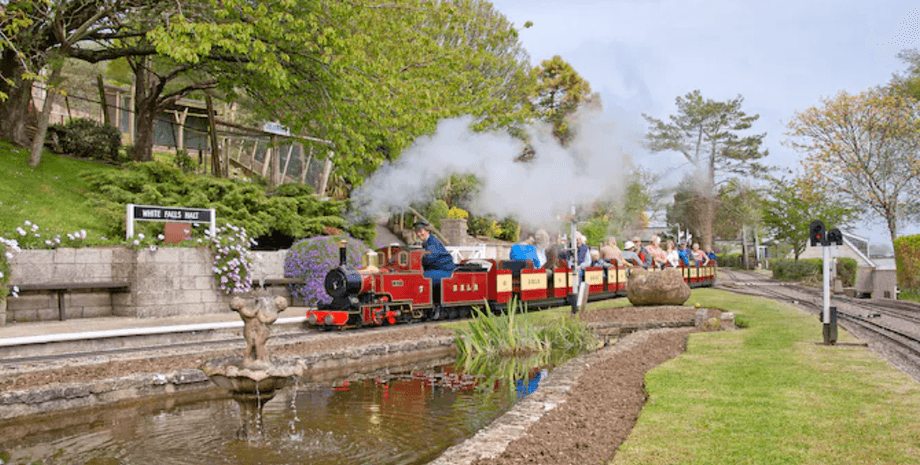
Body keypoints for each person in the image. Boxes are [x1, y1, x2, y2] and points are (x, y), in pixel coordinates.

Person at [413, 220, 455, 285]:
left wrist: (415, 260)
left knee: (420, 277)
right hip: (437, 269)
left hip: (444, 270)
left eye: (420, 231)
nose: (418, 234)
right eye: (416, 232)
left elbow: (429, 257)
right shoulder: (427, 241)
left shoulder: (432, 242)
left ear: (427, 231)